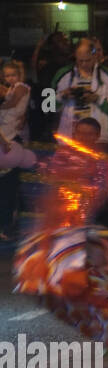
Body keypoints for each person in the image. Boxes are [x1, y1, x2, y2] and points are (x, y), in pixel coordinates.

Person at [52, 39, 108, 143]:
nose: (84, 64)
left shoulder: (107, 75)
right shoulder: (63, 74)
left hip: (98, 139)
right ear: (75, 56)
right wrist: (62, 96)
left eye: (88, 60)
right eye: (80, 60)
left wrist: (98, 99)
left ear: (94, 56)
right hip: (68, 138)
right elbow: (47, 106)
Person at [0, 61, 38, 242]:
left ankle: (7, 225)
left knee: (9, 184)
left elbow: (13, 103)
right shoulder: (7, 90)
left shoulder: (21, 87)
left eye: (12, 75)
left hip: (11, 140)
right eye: (6, 75)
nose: (10, 78)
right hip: (5, 136)